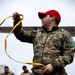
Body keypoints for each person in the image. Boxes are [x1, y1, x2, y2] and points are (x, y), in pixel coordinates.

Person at [12, 9, 75, 75]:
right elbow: (20, 35)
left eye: (44, 16)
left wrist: (54, 65)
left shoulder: (65, 34)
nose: (41, 19)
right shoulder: (37, 33)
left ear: (52, 18)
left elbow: (69, 55)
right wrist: (17, 21)